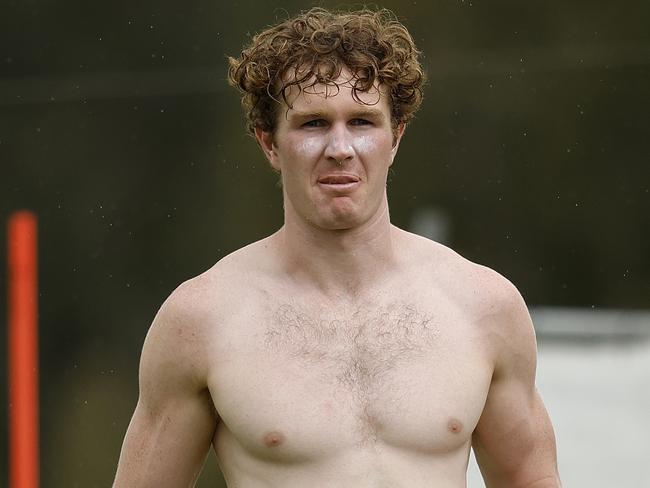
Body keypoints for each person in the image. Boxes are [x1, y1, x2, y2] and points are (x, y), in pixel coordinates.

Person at [113, 7, 561, 487]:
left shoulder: (483, 306)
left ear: (395, 138)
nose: (340, 148)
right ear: (269, 143)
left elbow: (529, 480)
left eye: (363, 122)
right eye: (313, 124)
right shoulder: (201, 319)